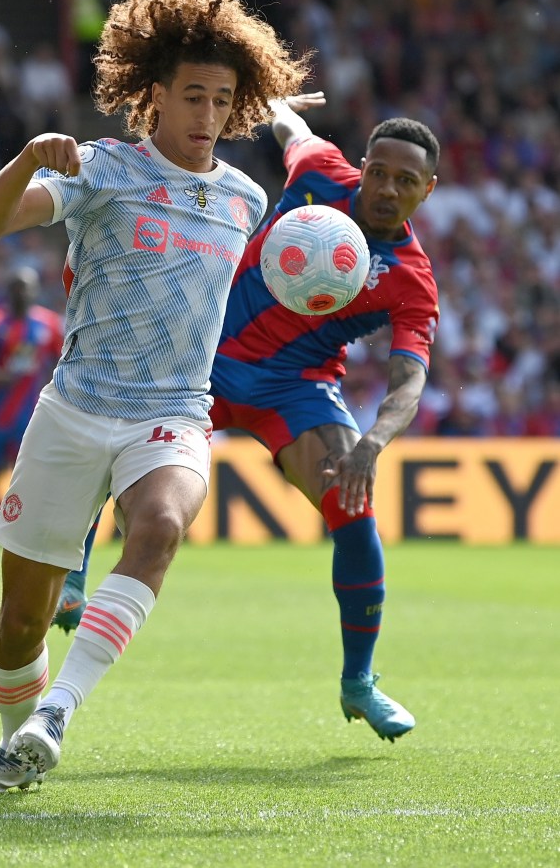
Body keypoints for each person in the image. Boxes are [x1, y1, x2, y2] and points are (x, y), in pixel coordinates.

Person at [0, 0, 308, 795]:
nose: (208, 117)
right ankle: (15, 745)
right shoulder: (103, 169)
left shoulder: (246, 199)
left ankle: (59, 711)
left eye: (222, 99)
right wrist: (26, 158)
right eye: (192, 98)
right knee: (17, 627)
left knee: (164, 523)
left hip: (172, 415)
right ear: (153, 97)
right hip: (74, 413)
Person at [55, 92, 441, 743]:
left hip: (295, 385)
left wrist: (373, 441)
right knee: (126, 448)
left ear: (426, 191)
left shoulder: (411, 278)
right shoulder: (320, 172)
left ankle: (359, 682)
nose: (387, 188)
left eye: (406, 181)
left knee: (354, 507)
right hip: (202, 355)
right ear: (363, 164)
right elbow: (292, 128)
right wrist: (276, 99)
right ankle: (72, 571)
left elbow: (409, 378)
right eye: (379, 171)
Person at [0, 266, 64, 580]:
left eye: (27, 287)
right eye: (17, 287)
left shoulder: (48, 324)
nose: (22, 293)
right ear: (8, 291)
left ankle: (29, 554)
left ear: (36, 290)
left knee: (31, 485)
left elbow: (63, 361)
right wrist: (3, 376)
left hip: (31, 418)